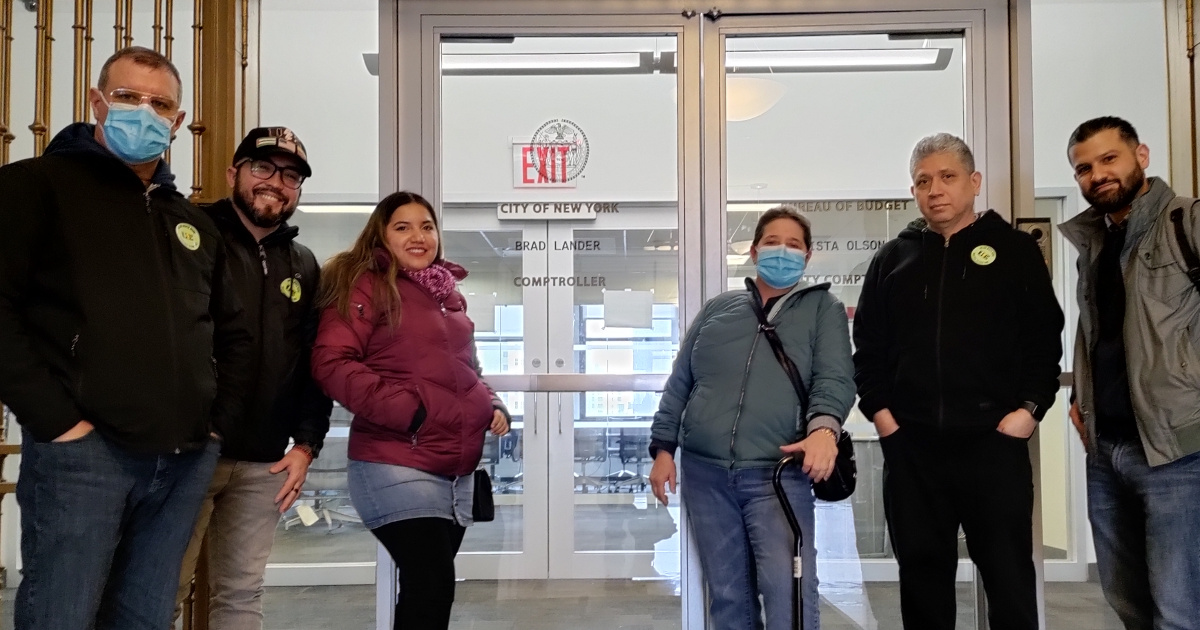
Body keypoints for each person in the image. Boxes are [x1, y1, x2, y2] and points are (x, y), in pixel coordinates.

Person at [0, 46, 253, 630]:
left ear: (177, 122)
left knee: (144, 617)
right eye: (128, 97)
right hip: (84, 456)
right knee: (62, 614)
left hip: (183, 458)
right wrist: (58, 423)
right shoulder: (33, 187)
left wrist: (216, 425)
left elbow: (227, 331)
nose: (144, 111)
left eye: (160, 103)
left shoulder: (189, 222)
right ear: (97, 101)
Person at [852, 133, 1063, 630]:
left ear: (974, 182)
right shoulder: (892, 260)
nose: (935, 190)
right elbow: (869, 349)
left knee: (1009, 580)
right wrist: (884, 418)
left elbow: (1043, 341)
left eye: (947, 177)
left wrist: (1028, 411)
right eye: (923, 181)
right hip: (914, 450)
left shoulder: (1013, 251)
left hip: (993, 447)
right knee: (923, 581)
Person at [648, 205, 855, 630]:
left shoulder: (823, 309)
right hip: (707, 476)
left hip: (777, 477)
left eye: (794, 245)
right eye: (773, 242)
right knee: (728, 597)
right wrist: (663, 448)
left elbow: (834, 379)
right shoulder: (718, 309)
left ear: (808, 256)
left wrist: (823, 430)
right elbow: (681, 381)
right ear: (755, 250)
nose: (783, 251)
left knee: (787, 598)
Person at [311, 191, 510, 630]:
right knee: (431, 581)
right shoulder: (366, 284)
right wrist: (409, 412)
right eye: (403, 227)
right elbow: (331, 362)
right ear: (381, 236)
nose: (418, 236)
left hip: (454, 469)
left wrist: (489, 401)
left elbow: (466, 368)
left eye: (427, 226)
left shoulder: (448, 295)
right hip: (394, 460)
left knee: (429, 591)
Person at [172, 127, 332, 629]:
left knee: (241, 593)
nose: (276, 183)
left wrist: (306, 444)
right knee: (161, 589)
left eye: (290, 176)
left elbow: (313, 363)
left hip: (264, 462)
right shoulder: (190, 236)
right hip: (187, 454)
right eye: (263, 168)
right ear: (233, 173)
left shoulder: (303, 263)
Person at [1060, 116, 1200, 629]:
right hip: (1108, 450)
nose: (1097, 175)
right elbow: (1103, 336)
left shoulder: (1187, 222)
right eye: (1083, 168)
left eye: (1108, 159)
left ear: (1141, 155)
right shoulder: (1095, 244)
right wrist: (1084, 400)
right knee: (1128, 605)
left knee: (1179, 611)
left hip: (1178, 453)